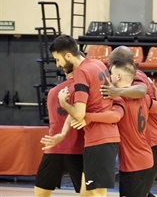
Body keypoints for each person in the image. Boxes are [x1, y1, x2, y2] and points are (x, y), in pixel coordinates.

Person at [41, 34, 120, 197]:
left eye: (58, 59)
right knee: (87, 194)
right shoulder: (97, 64)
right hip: (103, 137)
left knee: (95, 194)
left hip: (99, 139)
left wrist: (63, 103)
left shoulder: (81, 72)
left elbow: (79, 113)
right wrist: (63, 134)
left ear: (68, 55)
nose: (58, 64)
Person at [72, 58, 157, 196]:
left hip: (133, 162)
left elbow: (115, 116)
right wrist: (154, 88)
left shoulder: (119, 99)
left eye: (111, 73)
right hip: (145, 157)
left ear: (119, 76)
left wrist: (88, 117)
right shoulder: (144, 98)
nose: (108, 76)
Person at [100, 46, 157, 197]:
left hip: (150, 145)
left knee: (139, 192)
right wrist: (154, 88)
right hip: (149, 146)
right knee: (141, 192)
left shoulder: (132, 85)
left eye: (111, 64)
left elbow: (141, 91)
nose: (108, 68)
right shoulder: (138, 92)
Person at [34, 72, 85, 197]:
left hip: (54, 147)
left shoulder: (53, 91)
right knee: (90, 194)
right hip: (78, 149)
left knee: (40, 193)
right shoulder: (83, 90)